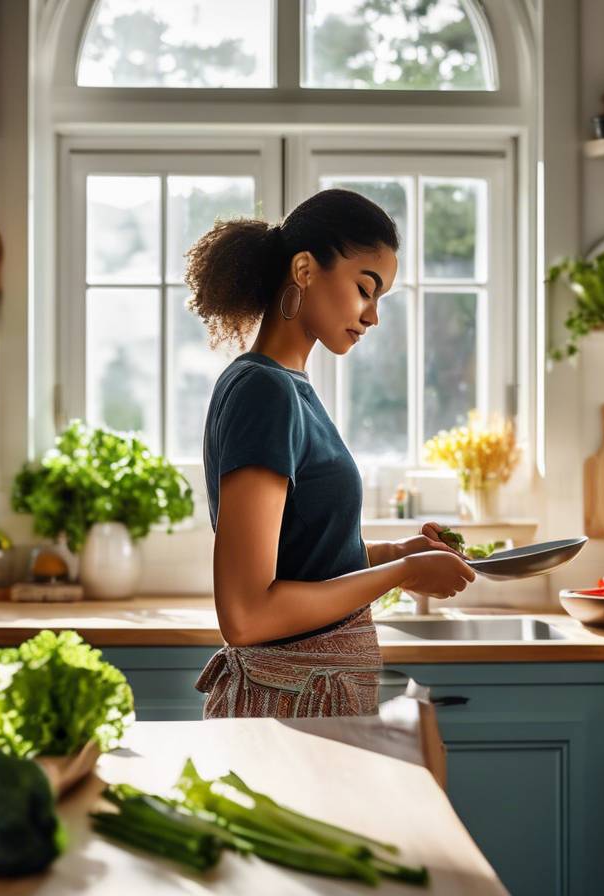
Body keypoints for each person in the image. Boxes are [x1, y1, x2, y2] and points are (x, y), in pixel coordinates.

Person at [187, 188, 477, 719]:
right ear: (304, 269)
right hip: (291, 703)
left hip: (311, 695)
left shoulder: (287, 387)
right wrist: (404, 573)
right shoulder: (264, 391)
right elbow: (247, 615)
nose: (373, 316)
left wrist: (395, 553)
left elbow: (305, 563)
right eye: (366, 289)